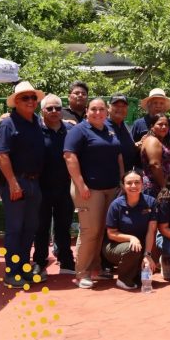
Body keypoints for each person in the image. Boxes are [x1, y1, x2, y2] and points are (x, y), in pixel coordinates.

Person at [64, 97, 124, 289]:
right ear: (87, 111)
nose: (98, 113)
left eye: (101, 109)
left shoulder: (109, 130)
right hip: (89, 190)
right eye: (93, 109)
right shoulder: (79, 130)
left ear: (107, 111)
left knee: (102, 230)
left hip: (111, 188)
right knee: (90, 231)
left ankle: (96, 268)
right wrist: (80, 184)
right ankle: (82, 273)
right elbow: (69, 156)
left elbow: (118, 155)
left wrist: (122, 179)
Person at [0, 81, 46, 288]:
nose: (31, 101)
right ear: (16, 101)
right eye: (25, 98)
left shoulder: (37, 122)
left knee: (30, 228)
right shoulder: (7, 124)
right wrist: (13, 184)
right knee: (15, 229)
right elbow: (2, 155)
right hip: (16, 183)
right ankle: (12, 271)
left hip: (34, 182)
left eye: (33, 97)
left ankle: (24, 267)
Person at [33, 94, 75, 276]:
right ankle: (39, 262)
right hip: (40, 186)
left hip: (64, 186)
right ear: (42, 111)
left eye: (57, 108)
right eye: (49, 108)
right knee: (41, 227)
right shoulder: (35, 129)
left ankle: (66, 260)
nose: (54, 111)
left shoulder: (70, 129)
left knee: (63, 226)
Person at [103, 170, 158, 290]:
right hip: (115, 246)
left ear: (142, 184)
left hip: (141, 247)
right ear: (123, 185)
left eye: (137, 182)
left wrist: (148, 255)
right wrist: (131, 238)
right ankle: (123, 279)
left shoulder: (151, 202)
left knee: (146, 270)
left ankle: (137, 272)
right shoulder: (116, 205)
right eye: (129, 183)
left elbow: (151, 231)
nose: (133, 186)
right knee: (132, 248)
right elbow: (111, 234)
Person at [141, 114, 170, 197]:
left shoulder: (161, 141)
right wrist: (163, 187)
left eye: (166, 125)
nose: (164, 127)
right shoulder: (152, 141)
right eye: (160, 124)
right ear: (152, 127)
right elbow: (155, 165)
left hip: (160, 185)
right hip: (154, 186)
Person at [107, 93, 137, 172]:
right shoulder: (102, 126)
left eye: (123, 106)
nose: (120, 108)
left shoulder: (126, 126)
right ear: (108, 107)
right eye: (116, 105)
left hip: (128, 175)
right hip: (109, 175)